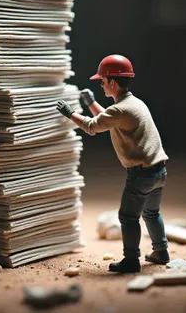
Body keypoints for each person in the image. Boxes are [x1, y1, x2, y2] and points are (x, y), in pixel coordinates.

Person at [57, 54, 169, 274]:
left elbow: (92, 126)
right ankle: (160, 251)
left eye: (103, 81)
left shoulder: (120, 109)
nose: (101, 84)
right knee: (152, 214)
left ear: (113, 83)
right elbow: (106, 121)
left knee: (128, 217)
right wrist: (90, 103)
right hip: (158, 171)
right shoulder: (133, 103)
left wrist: (70, 114)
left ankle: (131, 260)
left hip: (141, 175)